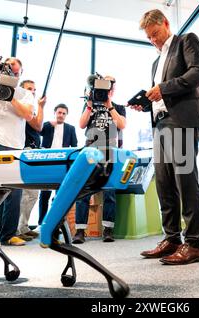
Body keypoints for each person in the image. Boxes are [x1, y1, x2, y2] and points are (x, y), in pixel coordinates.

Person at [134, 10, 199, 265]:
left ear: (165, 24)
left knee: (185, 181)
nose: (153, 40)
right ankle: (172, 239)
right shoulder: (156, 62)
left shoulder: (186, 41)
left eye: (155, 34)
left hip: (184, 121)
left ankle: (194, 244)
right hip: (161, 124)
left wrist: (162, 88)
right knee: (164, 184)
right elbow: (161, 94)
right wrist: (146, 102)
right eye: (149, 38)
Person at [0, 57, 35, 248]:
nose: (14, 75)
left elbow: (27, 114)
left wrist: (10, 96)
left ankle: (8, 235)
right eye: (11, 71)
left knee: (14, 191)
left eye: (17, 73)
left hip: (15, 143)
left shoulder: (25, 94)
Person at [72, 75, 126, 244]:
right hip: (90, 150)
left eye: (109, 87)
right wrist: (89, 105)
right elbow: (81, 125)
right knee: (84, 191)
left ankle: (108, 229)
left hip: (110, 150)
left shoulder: (118, 107)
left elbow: (122, 124)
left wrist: (109, 105)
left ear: (112, 89)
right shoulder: (89, 105)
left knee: (109, 191)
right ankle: (80, 231)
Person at [37, 104, 77, 231]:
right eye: (59, 112)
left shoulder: (70, 128)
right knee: (44, 194)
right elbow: (39, 131)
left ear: (66, 115)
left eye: (64, 113)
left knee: (59, 195)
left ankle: (57, 224)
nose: (61, 115)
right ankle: (40, 224)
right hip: (47, 162)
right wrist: (49, 123)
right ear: (55, 113)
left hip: (62, 164)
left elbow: (74, 146)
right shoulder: (48, 125)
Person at [16, 80, 46, 241]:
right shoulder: (23, 107)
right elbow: (38, 126)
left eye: (34, 89)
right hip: (25, 151)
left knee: (33, 193)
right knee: (26, 193)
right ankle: (17, 228)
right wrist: (41, 107)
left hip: (34, 151)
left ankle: (23, 226)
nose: (33, 92)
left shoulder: (30, 108)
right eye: (29, 89)